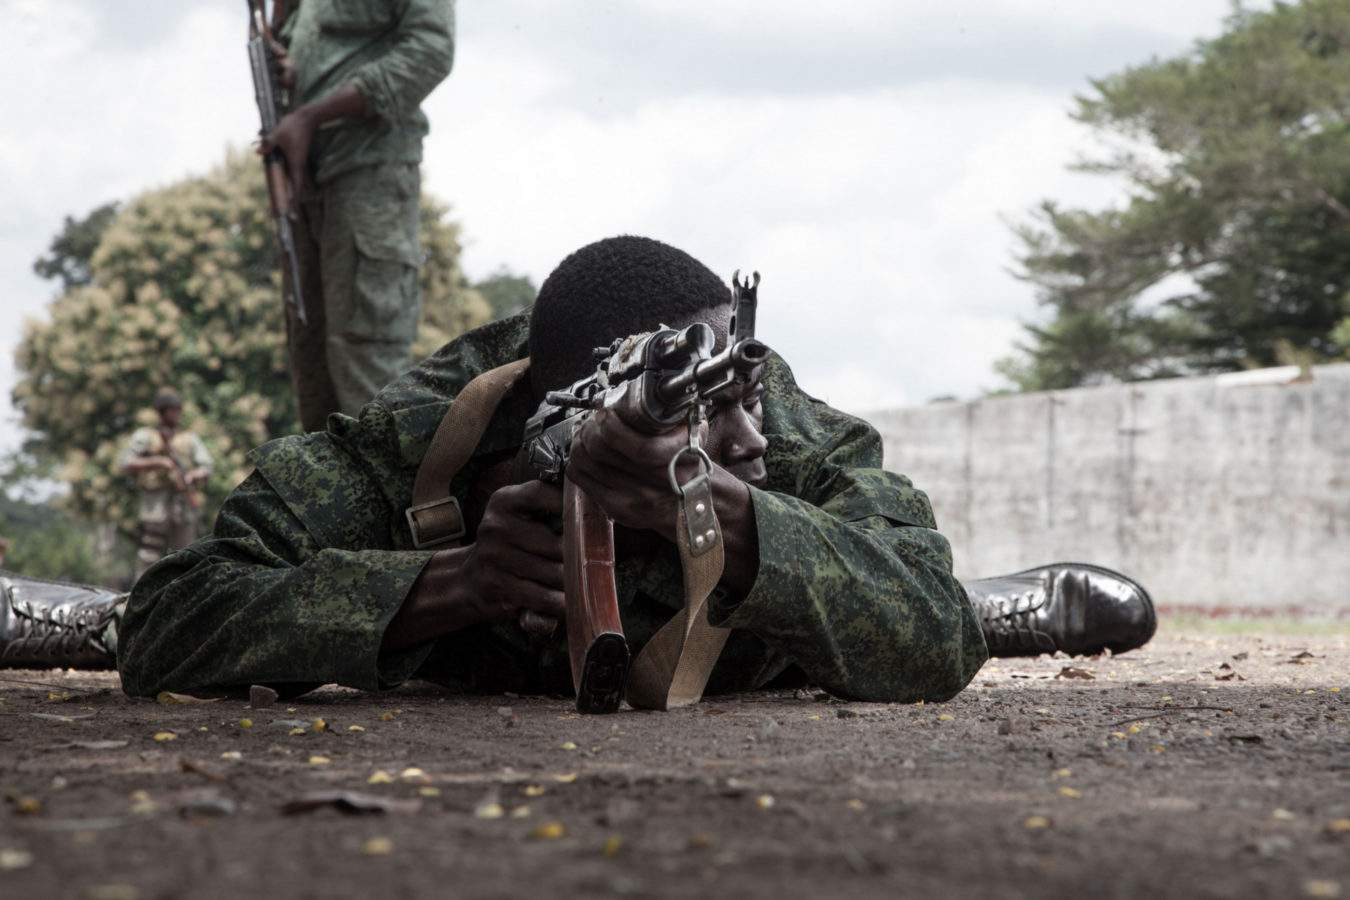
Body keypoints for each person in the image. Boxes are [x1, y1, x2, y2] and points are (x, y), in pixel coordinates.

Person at [100, 237, 1153, 701]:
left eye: (740, 401)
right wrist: (442, 586)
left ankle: (1011, 602)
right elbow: (175, 618)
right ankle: (69, 618)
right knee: (115, 622)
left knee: (946, 606)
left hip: (779, 641)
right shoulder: (411, 441)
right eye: (712, 415)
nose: (745, 437)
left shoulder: (768, 413)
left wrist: (740, 524)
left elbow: (929, 627)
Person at [263, 0, 456, 432]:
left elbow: (430, 51)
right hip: (310, 184)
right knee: (316, 383)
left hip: (368, 174)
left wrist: (312, 115)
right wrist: (295, 77)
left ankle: (392, 501)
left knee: (366, 378)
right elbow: (330, 56)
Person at [118, 389, 214, 580]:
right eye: (173, 410)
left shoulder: (188, 438)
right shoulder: (146, 436)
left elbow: (207, 466)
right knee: (149, 554)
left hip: (182, 502)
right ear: (162, 412)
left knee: (185, 553)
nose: (177, 414)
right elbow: (126, 462)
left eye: (178, 409)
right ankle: (142, 597)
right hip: (156, 502)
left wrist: (194, 475)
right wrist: (158, 462)